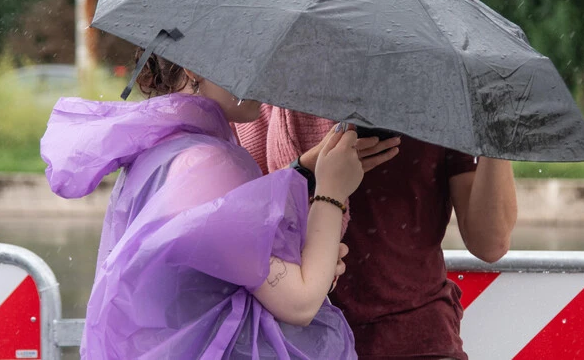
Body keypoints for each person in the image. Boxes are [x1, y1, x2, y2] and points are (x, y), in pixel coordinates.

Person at [41, 53, 381, 359]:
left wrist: (303, 169)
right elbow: (300, 301)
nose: (264, 75)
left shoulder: (162, 147)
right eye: (249, 58)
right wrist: (332, 190)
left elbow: (209, 271)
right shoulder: (206, 161)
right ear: (193, 65)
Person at [236, 106, 518, 360]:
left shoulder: (438, 99)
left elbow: (490, 244)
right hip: (301, 343)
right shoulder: (258, 106)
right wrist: (310, 167)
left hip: (417, 340)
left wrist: (494, 129)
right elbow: (237, 226)